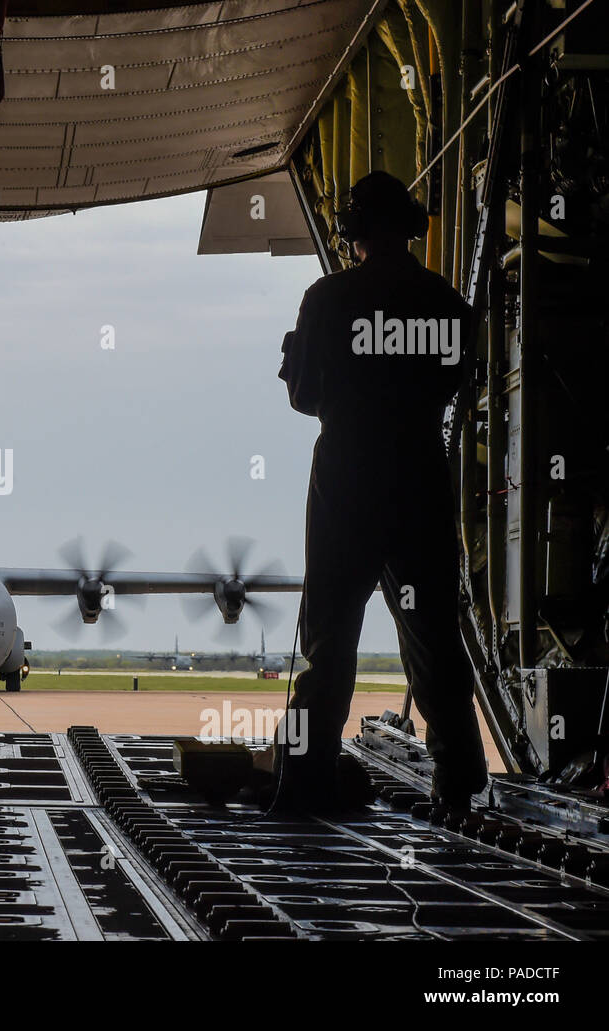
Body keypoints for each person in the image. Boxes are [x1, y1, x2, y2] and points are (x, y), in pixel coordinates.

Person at [276, 170, 488, 813]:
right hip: (418, 480)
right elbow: (456, 384)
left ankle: (306, 782)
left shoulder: (327, 300)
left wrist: (299, 362)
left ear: (352, 232)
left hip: (346, 482)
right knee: (433, 637)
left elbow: (306, 396)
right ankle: (458, 779)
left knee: (327, 641)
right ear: (411, 227)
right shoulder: (447, 305)